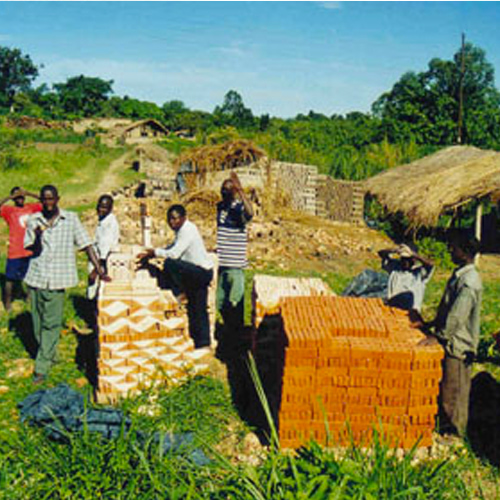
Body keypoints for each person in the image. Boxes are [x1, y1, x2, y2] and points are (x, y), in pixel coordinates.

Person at [24, 185, 110, 384]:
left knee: (52, 324)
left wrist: (99, 269)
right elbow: (33, 250)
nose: (48, 203)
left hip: (57, 279)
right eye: (44, 199)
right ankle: (49, 353)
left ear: (57, 199)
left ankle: (41, 367)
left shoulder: (70, 219)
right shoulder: (33, 220)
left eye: (51, 199)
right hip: (37, 277)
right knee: (38, 324)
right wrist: (37, 235)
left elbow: (86, 244)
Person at [420, 232, 482, 439]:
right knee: (449, 388)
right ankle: (448, 428)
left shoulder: (469, 282)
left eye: (453, 248)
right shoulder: (461, 274)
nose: (450, 251)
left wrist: (439, 336)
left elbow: (457, 316)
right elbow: (448, 309)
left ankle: (454, 435)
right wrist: (431, 324)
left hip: (459, 345)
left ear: (464, 253)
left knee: (454, 392)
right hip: (453, 340)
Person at [136, 204, 213, 349]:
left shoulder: (187, 230)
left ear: (184, 218)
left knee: (170, 264)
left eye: (175, 219)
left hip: (201, 272)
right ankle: (202, 343)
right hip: (196, 271)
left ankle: (178, 293)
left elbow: (174, 254)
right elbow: (172, 247)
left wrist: (155, 253)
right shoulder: (182, 230)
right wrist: (154, 251)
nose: (172, 222)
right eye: (170, 219)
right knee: (197, 307)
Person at [215, 171, 253, 351]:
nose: (225, 192)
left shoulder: (239, 209)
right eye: (223, 189)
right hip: (221, 266)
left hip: (236, 268)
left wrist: (241, 191)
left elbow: (251, 213)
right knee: (221, 304)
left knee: (235, 305)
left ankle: (236, 346)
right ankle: (228, 337)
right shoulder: (220, 208)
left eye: (229, 190)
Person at [0, 187, 42, 311]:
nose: (20, 199)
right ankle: (7, 302)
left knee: (30, 276)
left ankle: (29, 298)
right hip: (15, 250)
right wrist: (10, 197)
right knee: (10, 278)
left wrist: (28, 192)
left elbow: (44, 201)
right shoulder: (9, 211)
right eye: (17, 197)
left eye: (21, 196)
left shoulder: (30, 208)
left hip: (29, 248)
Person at [378, 243, 434, 313]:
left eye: (408, 259)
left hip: (410, 313)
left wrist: (414, 254)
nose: (405, 262)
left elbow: (431, 264)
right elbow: (381, 253)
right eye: (403, 259)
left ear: (414, 260)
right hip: (392, 309)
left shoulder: (419, 273)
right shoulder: (395, 267)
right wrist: (395, 250)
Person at [87, 194, 120, 300]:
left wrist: (96, 270)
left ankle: (93, 311)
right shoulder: (103, 220)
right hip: (96, 258)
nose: (100, 209)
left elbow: (105, 250)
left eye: (104, 207)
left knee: (95, 289)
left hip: (100, 262)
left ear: (110, 209)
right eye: (99, 206)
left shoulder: (109, 224)